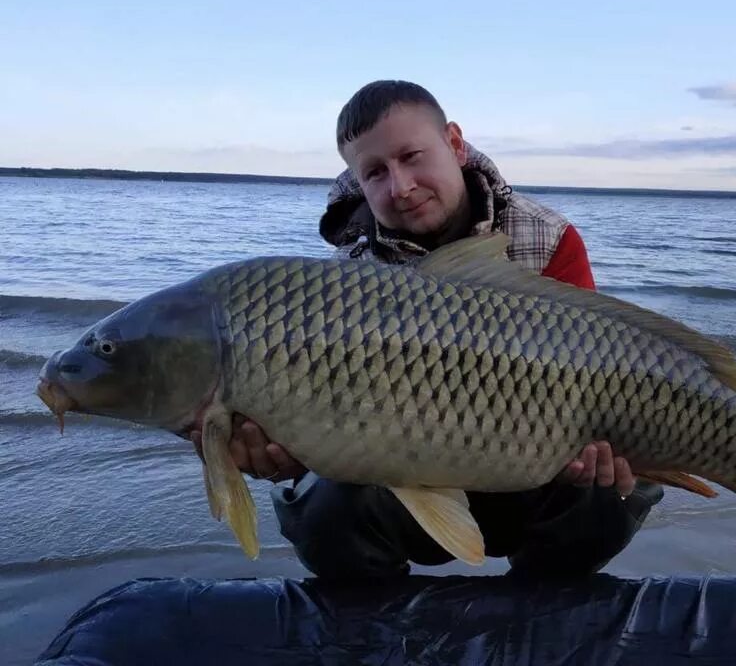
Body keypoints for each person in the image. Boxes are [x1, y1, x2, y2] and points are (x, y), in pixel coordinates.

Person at [192, 79, 664, 580]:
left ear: (455, 144)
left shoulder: (547, 239)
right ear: (355, 179)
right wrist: (288, 453)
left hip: (535, 470)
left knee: (607, 491)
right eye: (375, 172)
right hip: (406, 480)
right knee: (324, 509)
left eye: (412, 156)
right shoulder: (349, 274)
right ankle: (380, 630)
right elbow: (337, 418)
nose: (401, 186)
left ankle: (536, 616)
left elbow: (598, 367)